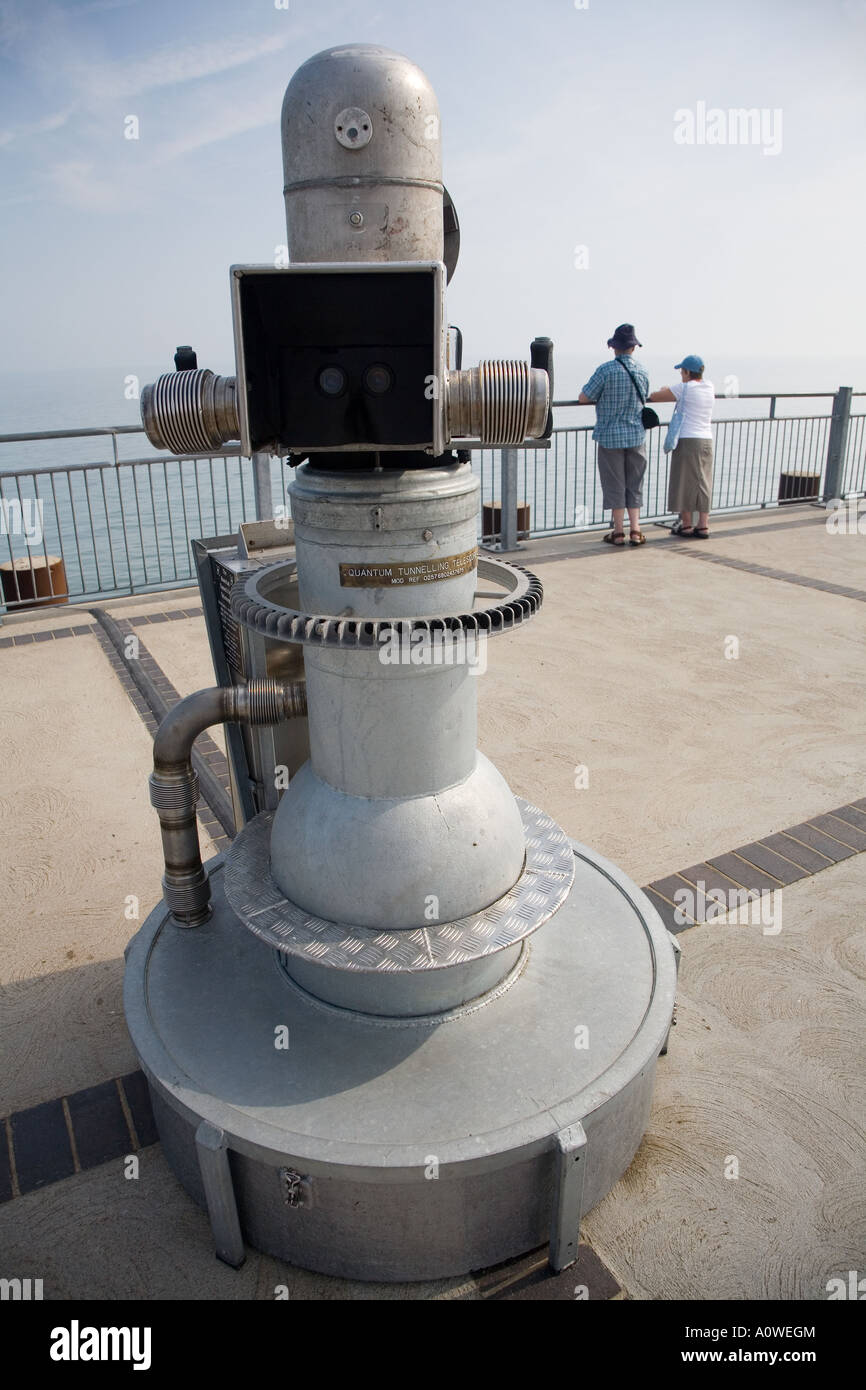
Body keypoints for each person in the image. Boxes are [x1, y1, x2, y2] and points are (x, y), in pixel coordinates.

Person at [578, 324, 649, 546]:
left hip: (610, 436)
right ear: (633, 348)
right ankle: (636, 530)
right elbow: (644, 397)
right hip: (636, 435)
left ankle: (618, 532)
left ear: (614, 348)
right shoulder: (642, 371)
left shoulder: (606, 370)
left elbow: (584, 397)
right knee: (635, 483)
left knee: (614, 484)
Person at [648, 355, 715, 538]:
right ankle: (703, 525)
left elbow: (655, 396)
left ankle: (686, 525)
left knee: (685, 480)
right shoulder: (709, 386)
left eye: (681, 371)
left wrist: (666, 389)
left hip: (687, 440)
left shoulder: (685, 388)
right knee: (703, 481)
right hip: (707, 440)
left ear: (687, 372)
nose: (681, 375)